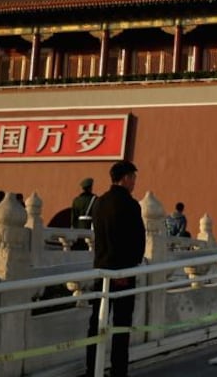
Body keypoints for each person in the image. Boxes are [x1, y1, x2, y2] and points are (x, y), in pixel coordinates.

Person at [86, 160, 146, 377]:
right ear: (126, 178)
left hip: (100, 268)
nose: (135, 183)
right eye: (134, 178)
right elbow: (137, 240)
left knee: (97, 321)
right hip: (122, 271)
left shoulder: (99, 202)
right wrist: (131, 266)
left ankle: (92, 368)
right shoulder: (130, 205)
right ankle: (118, 370)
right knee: (121, 324)